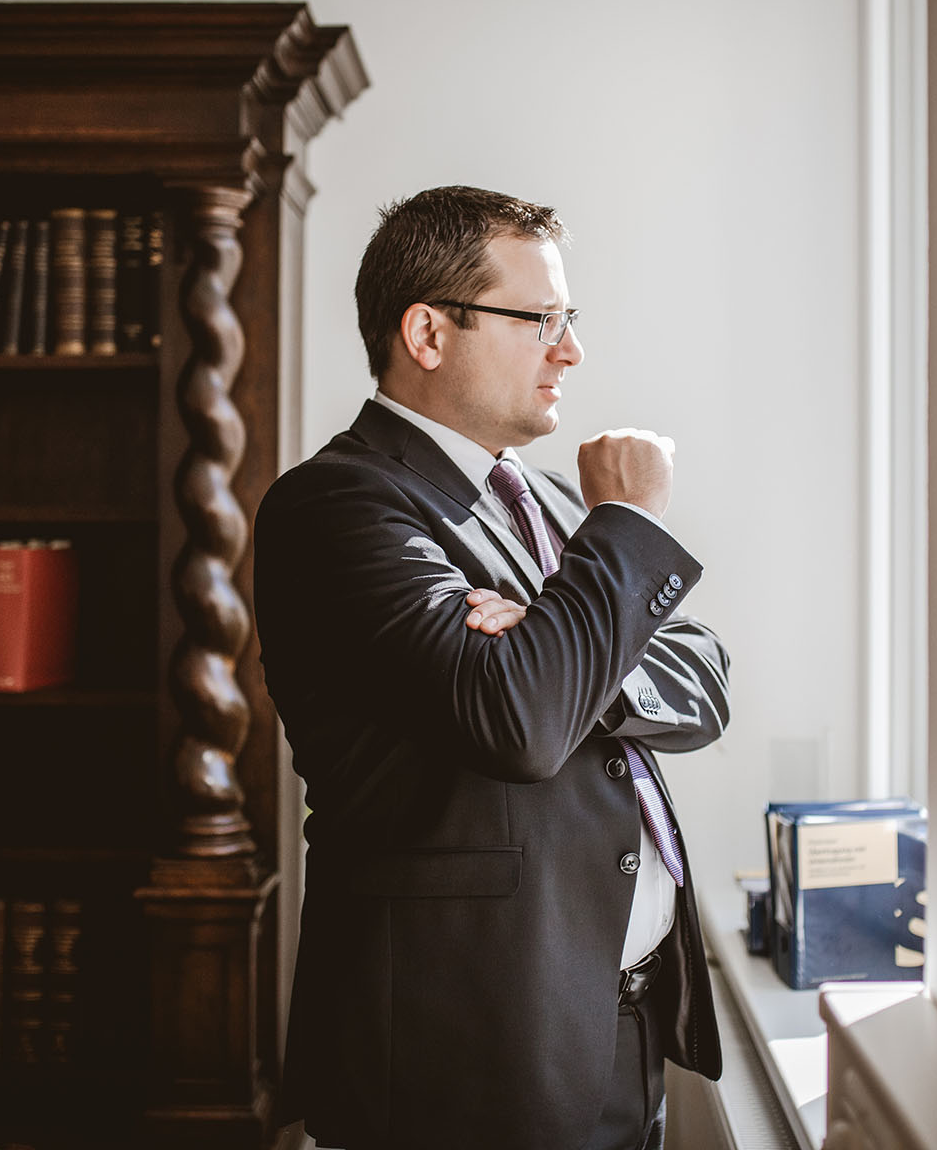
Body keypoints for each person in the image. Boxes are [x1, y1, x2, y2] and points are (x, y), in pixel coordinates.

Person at [255, 185, 730, 1150]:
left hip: (615, 1020)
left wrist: (564, 655)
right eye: (539, 319)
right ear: (427, 332)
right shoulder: (339, 506)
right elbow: (518, 723)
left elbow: (706, 673)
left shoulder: (555, 504)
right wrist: (629, 527)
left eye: (570, 319)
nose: (570, 349)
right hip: (462, 1044)